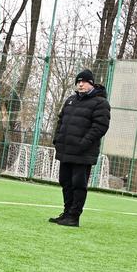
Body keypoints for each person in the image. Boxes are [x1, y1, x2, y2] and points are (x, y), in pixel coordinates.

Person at [49, 69, 111, 227]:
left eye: (83, 82)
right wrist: (57, 139)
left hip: (83, 153)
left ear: (91, 84)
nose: (80, 84)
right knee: (65, 182)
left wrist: (83, 143)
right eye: (78, 82)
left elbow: (100, 127)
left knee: (78, 184)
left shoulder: (100, 103)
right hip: (66, 150)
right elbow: (61, 120)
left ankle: (74, 216)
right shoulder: (71, 100)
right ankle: (66, 213)